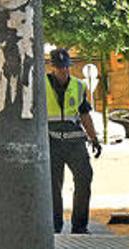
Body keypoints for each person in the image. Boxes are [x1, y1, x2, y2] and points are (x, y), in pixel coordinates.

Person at [46, 47, 101, 234]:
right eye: (60, 67)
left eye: (66, 67)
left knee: (84, 178)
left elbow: (85, 115)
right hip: (51, 142)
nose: (64, 71)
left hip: (74, 143)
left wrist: (94, 139)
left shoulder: (78, 86)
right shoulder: (41, 85)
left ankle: (79, 225)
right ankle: (55, 225)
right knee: (54, 184)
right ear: (52, 67)